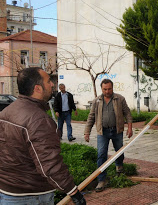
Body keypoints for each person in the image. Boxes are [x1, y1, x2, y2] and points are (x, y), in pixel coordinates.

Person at [0, 67, 85, 205]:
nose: (52, 84)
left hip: (6, 192)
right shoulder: (38, 121)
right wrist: (73, 191)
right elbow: (49, 164)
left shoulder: (6, 112)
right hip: (31, 196)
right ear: (38, 88)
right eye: (48, 81)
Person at [84, 79, 133, 192]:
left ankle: (119, 167)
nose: (107, 91)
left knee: (119, 151)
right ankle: (102, 179)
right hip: (103, 132)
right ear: (102, 89)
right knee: (101, 154)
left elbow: (128, 113)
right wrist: (87, 132)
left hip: (117, 131)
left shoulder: (119, 99)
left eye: (109, 89)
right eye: (105, 89)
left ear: (112, 88)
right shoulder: (97, 101)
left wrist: (129, 128)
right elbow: (91, 117)